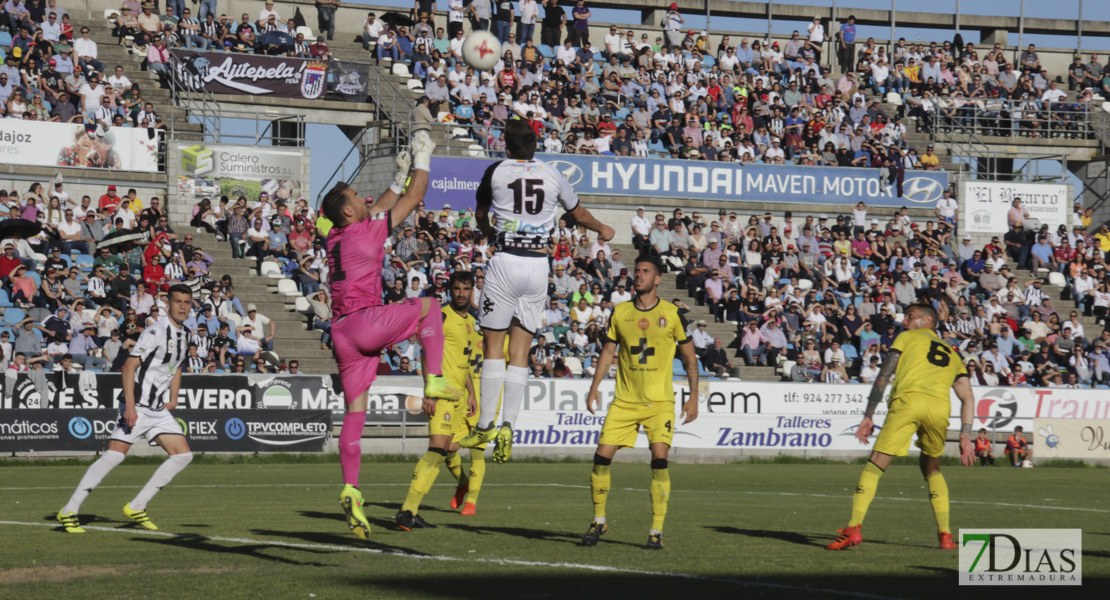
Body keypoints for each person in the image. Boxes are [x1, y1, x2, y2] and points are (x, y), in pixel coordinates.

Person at [323, 131, 462, 542]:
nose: (364, 200)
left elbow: (378, 207)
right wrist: (421, 160)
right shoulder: (364, 232)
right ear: (347, 211)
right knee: (430, 308)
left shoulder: (335, 235)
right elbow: (416, 198)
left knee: (353, 419)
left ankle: (351, 489)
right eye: (355, 197)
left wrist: (394, 178)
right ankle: (432, 377)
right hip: (365, 322)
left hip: (342, 335)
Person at [455, 119, 612, 463]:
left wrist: (487, 233)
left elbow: (481, 213)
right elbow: (578, 212)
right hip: (539, 267)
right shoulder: (552, 173)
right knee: (520, 353)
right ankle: (510, 425)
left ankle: (485, 425)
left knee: (494, 346)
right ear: (535, 145)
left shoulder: (496, 171)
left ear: (506, 147)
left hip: (507, 260)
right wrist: (601, 227)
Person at [826, 304, 975, 551]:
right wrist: (966, 436)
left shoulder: (906, 337)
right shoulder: (952, 353)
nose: (904, 321)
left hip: (909, 402)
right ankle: (946, 536)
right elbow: (968, 396)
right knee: (932, 469)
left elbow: (885, 373)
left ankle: (853, 529)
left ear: (926, 321)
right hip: (939, 409)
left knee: (875, 464)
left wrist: (868, 415)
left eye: (910, 316)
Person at [55, 285, 196, 534]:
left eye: (187, 302)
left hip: (157, 408)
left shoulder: (186, 334)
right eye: (177, 302)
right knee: (115, 455)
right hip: (138, 404)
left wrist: (173, 399)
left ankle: (137, 505)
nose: (183, 306)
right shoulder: (155, 331)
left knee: (183, 455)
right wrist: (129, 406)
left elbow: (177, 366)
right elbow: (129, 367)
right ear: (168, 304)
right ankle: (69, 510)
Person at [581, 255, 698, 550]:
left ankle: (656, 530)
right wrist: (594, 387)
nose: (639, 275)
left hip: (660, 402)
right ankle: (598, 520)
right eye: (637, 271)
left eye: (645, 271)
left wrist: (694, 396)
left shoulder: (672, 314)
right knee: (600, 459)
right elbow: (608, 352)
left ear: (657, 279)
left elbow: (690, 356)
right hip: (624, 401)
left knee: (659, 460)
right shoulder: (619, 312)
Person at [395, 271, 482, 530]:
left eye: (466, 289)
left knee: (447, 451)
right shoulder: (442, 315)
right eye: (457, 288)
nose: (462, 293)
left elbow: (463, 362)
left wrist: (471, 394)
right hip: (442, 392)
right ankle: (406, 511)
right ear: (450, 290)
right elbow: (426, 349)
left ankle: (411, 510)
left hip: (460, 396)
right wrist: (430, 390)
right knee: (437, 449)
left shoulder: (470, 321)